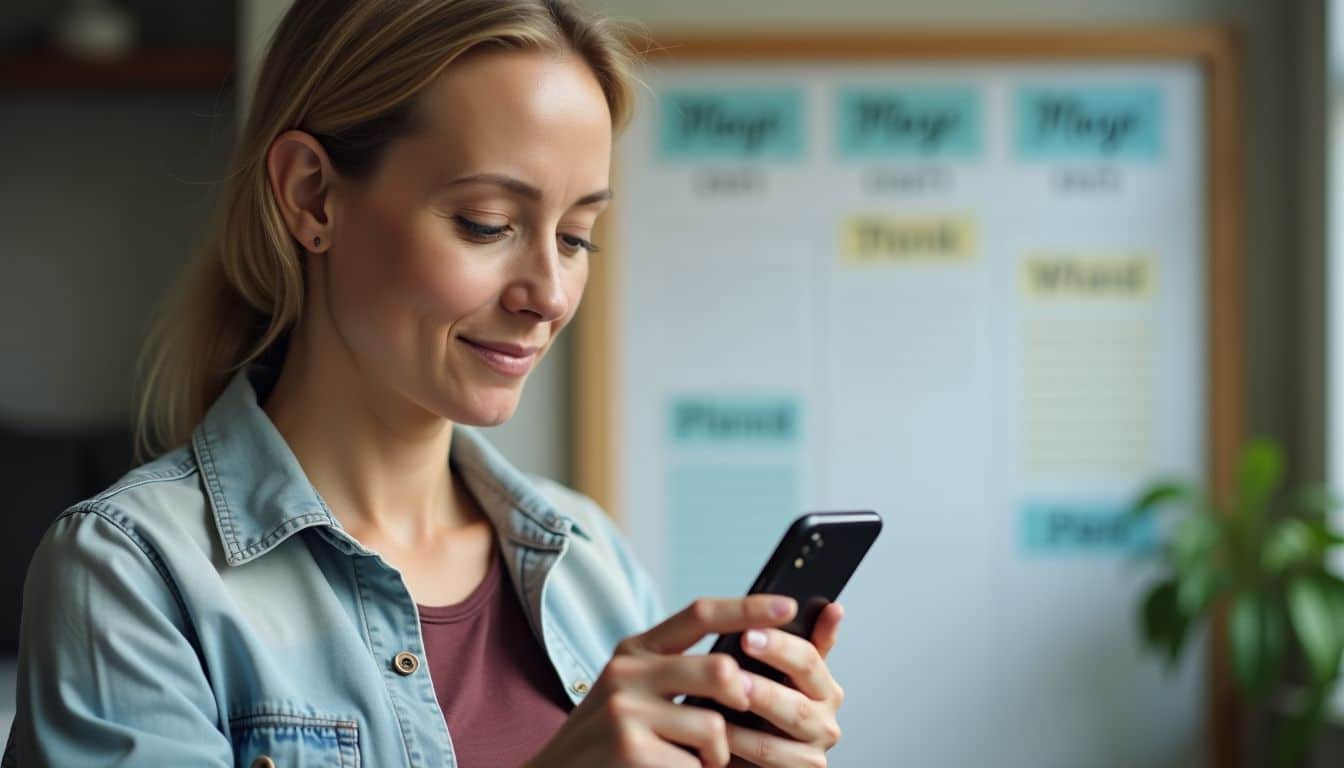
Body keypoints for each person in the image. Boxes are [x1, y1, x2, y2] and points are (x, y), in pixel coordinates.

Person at [3, 1, 846, 766]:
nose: (548, 294)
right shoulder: (131, 574)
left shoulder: (591, 560)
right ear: (312, 197)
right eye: (489, 224)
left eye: (577, 235)